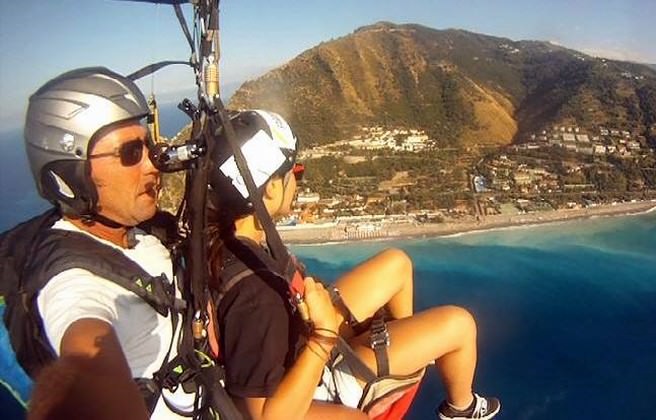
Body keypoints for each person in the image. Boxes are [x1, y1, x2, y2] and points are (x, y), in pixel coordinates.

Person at [206, 110, 501, 420]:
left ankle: (402, 357)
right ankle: (461, 408)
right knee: (460, 324)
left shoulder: (231, 235)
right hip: (308, 377)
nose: (298, 182)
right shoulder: (256, 294)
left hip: (298, 332)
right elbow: (264, 415)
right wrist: (324, 335)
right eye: (295, 173)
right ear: (268, 188)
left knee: (396, 264)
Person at [13, 67, 196, 419]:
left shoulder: (141, 230)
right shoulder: (74, 284)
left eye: (149, 146)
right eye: (130, 153)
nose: (152, 166)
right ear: (71, 175)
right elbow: (86, 350)